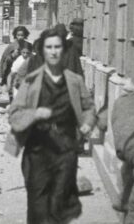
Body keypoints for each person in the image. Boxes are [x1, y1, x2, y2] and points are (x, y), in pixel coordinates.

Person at [7, 25, 96, 224]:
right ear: (43, 51)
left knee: (60, 204)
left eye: (58, 48)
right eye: (49, 48)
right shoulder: (31, 81)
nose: (54, 52)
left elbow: (89, 107)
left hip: (65, 150)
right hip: (37, 149)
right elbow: (14, 114)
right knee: (38, 203)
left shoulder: (74, 81)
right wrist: (35, 113)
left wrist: (88, 124)